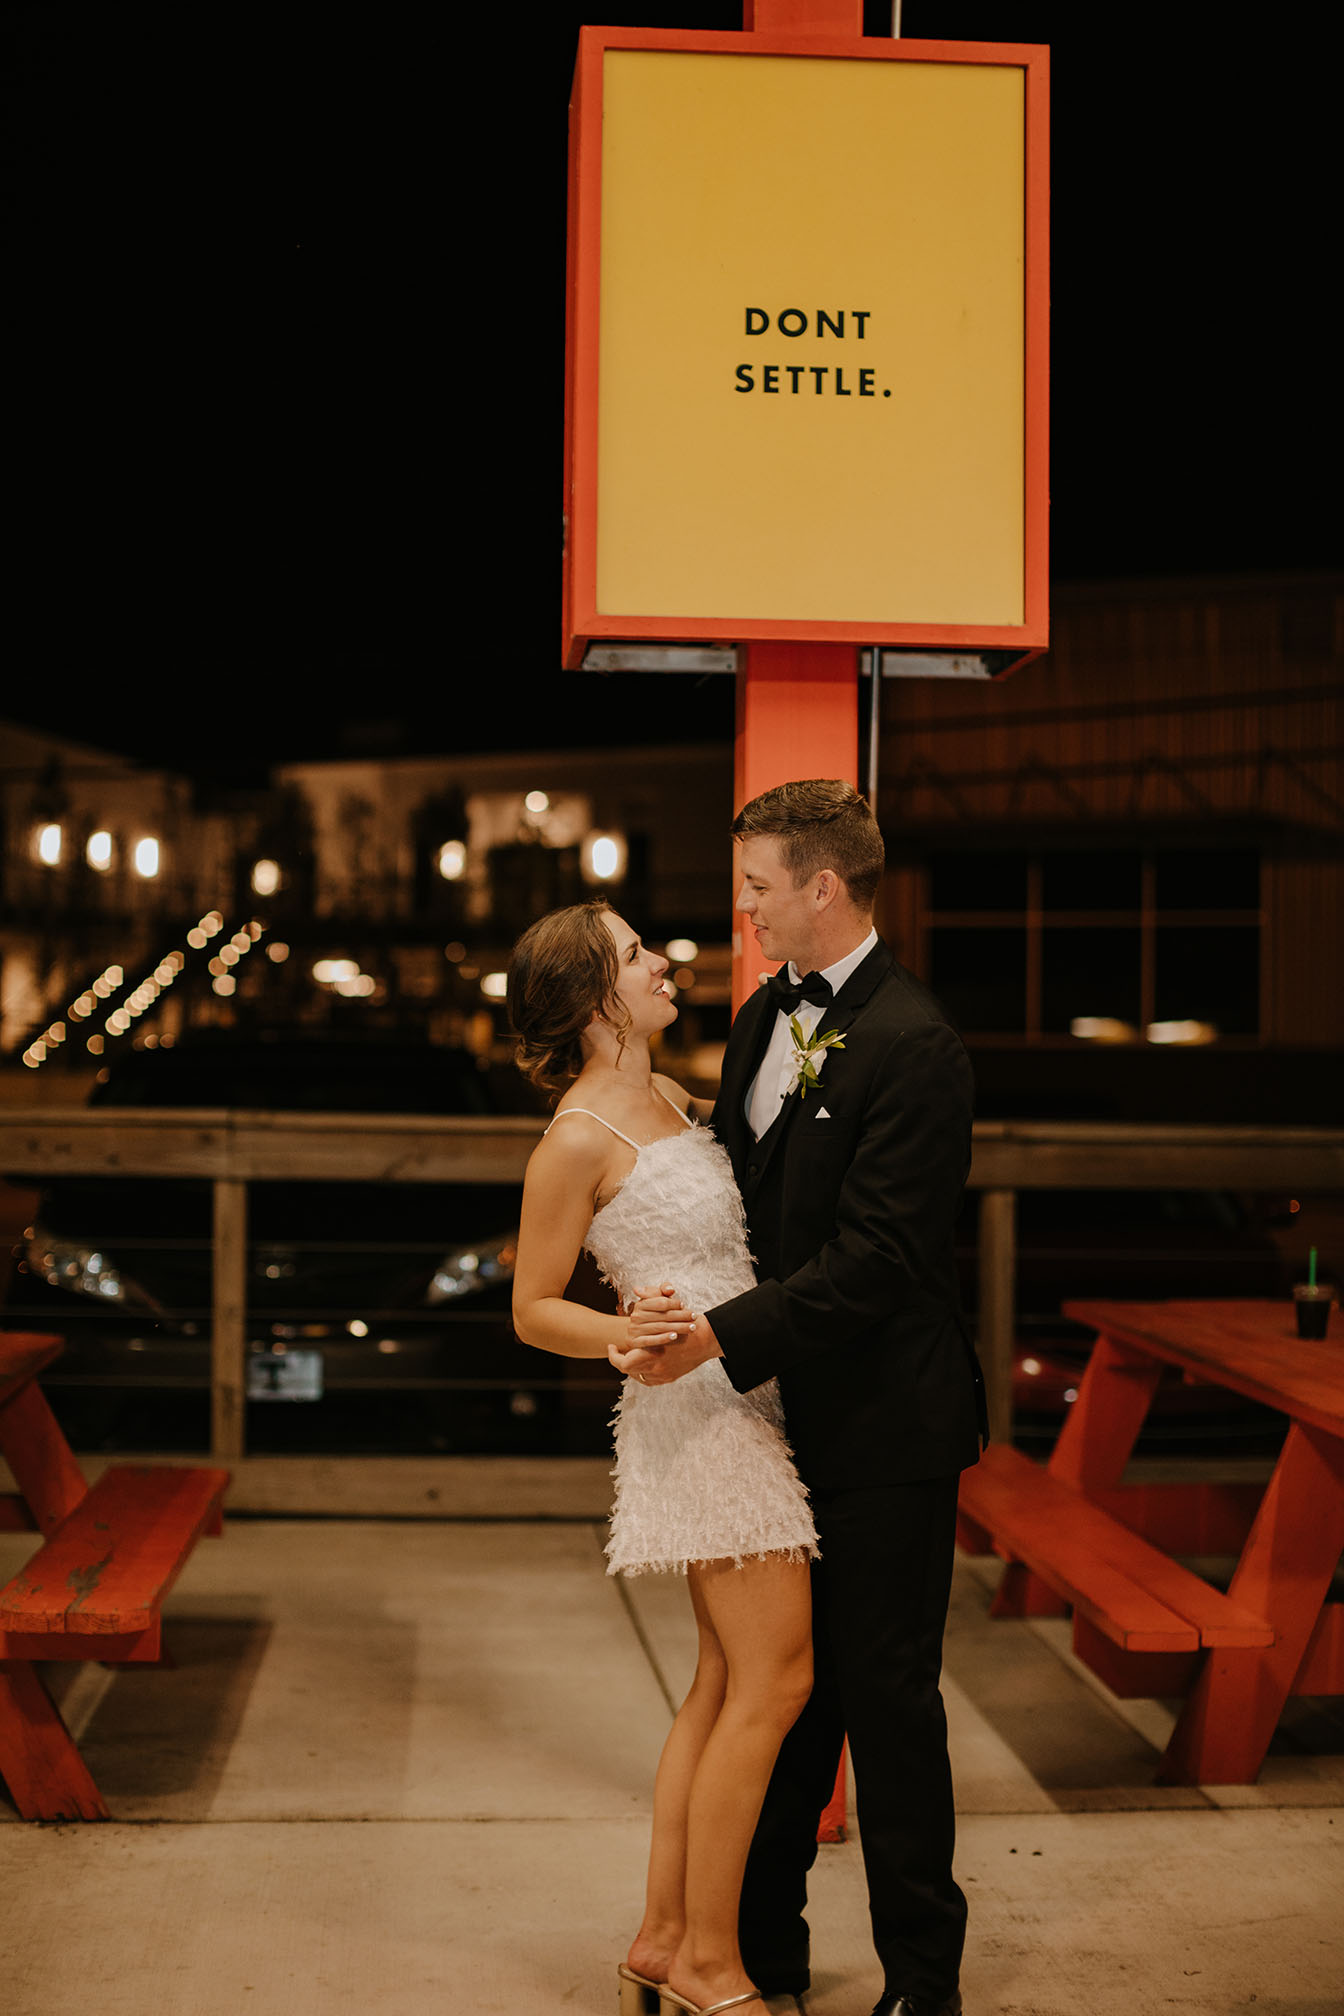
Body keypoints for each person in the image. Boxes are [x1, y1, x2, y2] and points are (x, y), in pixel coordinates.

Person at [612, 779, 985, 2016]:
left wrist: (715, 1339)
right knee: (784, 1694)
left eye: (761, 883)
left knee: (883, 1699)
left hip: (886, 1424)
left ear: (824, 885)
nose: (748, 906)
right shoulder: (768, 1008)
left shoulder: (917, 1043)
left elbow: (878, 1263)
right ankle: (756, 1954)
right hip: (770, 1419)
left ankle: (923, 1984)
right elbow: (747, 1189)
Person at [507, 900, 819, 2016]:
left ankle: (660, 1939)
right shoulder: (580, 1136)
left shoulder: (672, 1096)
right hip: (699, 1418)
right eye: (637, 953)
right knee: (777, 1680)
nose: (660, 962)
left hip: (748, 1394)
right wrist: (625, 1333)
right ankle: (707, 1964)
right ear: (596, 994)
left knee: (726, 1681)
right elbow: (534, 1308)